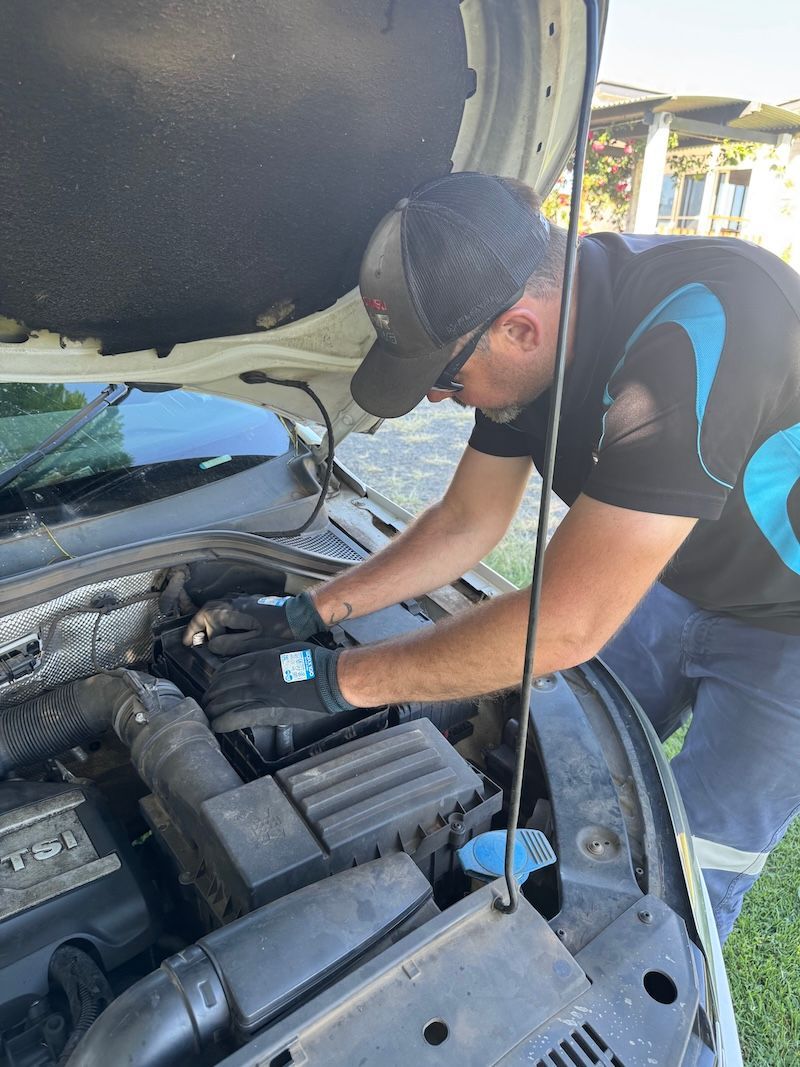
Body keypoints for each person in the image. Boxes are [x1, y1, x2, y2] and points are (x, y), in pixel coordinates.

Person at [186, 172, 800, 940]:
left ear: (520, 330)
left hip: (788, 619)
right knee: (578, 770)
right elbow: (464, 522)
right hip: (672, 568)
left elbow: (569, 621)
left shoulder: (701, 334)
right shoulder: (531, 343)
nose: (440, 399)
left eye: (445, 376)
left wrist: (339, 681)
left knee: (692, 856)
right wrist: (310, 611)